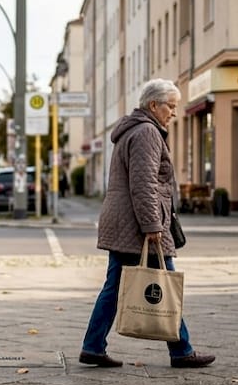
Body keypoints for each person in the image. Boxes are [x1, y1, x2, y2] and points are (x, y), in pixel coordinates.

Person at [78, 78, 215, 369]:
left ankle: (93, 346)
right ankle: (182, 351)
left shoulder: (136, 130)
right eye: (171, 106)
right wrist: (153, 225)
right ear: (153, 105)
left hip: (127, 222)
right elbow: (144, 185)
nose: (174, 112)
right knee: (165, 283)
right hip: (140, 225)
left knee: (115, 286)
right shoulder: (146, 133)